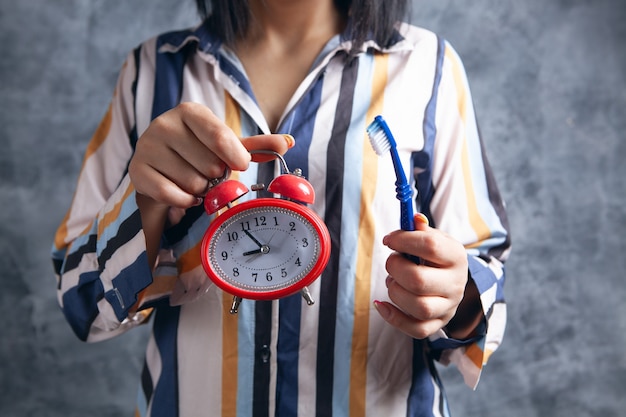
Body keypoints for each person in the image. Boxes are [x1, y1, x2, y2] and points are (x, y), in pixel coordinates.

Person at [52, 0, 511, 415]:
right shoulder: (151, 70)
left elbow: (482, 285)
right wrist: (147, 201)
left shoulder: (428, 65)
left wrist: (455, 296)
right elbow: (83, 303)